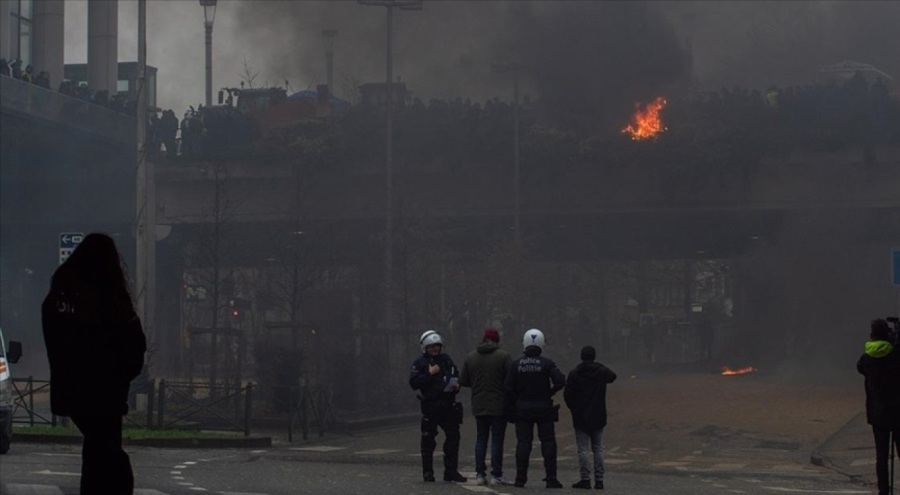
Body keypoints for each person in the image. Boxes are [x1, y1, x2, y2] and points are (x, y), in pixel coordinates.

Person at [41, 233, 147, 494]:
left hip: (73, 392)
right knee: (109, 457)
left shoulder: (57, 299)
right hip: (106, 392)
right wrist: (122, 375)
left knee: (96, 452)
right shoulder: (108, 298)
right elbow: (133, 343)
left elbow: (56, 345)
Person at [505, 328, 566, 488]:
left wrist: (516, 400)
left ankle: (520, 478)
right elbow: (560, 380)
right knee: (548, 442)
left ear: (524, 344)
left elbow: (508, 387)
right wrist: (549, 392)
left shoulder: (516, 364)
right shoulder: (547, 363)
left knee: (523, 442)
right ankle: (551, 478)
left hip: (522, 408)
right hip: (544, 408)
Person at [408, 330, 467, 483]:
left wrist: (457, 385)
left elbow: (455, 374)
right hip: (431, 405)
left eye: (437, 346)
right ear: (425, 348)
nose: (435, 349)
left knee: (453, 437)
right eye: (431, 346)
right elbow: (414, 383)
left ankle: (451, 471)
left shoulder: (446, 359)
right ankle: (428, 472)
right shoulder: (420, 363)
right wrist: (429, 374)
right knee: (428, 440)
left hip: (448, 405)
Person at [460, 327, 512, 486]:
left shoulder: (471, 357)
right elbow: (510, 380)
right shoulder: (503, 357)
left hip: (479, 404)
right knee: (497, 440)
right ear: (497, 341)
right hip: (498, 405)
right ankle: (496, 474)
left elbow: (464, 381)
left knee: (481, 438)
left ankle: (480, 474)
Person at [564, 345, 617, 490]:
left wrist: (574, 409)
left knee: (583, 449)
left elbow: (567, 394)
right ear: (594, 356)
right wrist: (598, 366)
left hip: (580, 416)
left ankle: (585, 479)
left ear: (581, 356)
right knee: (598, 448)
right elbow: (613, 376)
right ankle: (599, 480)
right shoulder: (601, 371)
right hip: (598, 414)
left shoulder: (575, 373)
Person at [856, 319, 900, 495]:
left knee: (881, 457)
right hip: (897, 412)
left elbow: (860, 368)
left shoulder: (866, 359)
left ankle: (884, 491)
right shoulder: (896, 355)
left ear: (872, 335)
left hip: (877, 413)